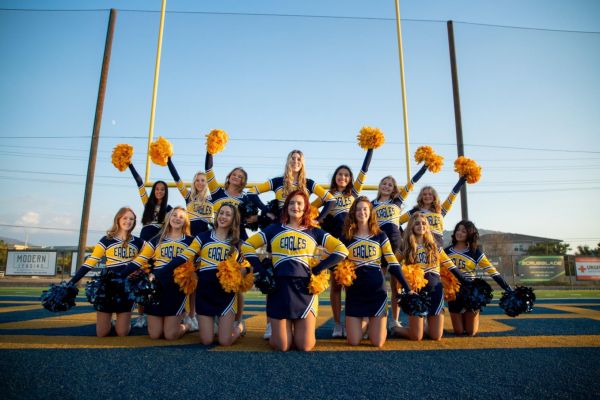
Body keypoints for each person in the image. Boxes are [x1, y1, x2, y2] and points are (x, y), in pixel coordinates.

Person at [241, 190, 348, 351]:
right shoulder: (274, 229)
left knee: (305, 345)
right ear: (286, 207)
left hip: (304, 290)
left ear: (306, 208)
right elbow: (247, 246)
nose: (295, 206)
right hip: (279, 288)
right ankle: (280, 330)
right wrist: (261, 269)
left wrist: (319, 268)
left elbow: (342, 250)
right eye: (291, 203)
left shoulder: (314, 231)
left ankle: (290, 329)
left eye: (299, 203)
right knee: (282, 346)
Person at [249, 149, 336, 338]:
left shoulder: (309, 183)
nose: (295, 161)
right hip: (279, 231)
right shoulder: (277, 182)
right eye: (292, 158)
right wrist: (267, 211)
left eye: (299, 159)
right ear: (288, 161)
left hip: (301, 231)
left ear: (302, 163)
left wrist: (318, 219)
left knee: (301, 272)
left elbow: (330, 200)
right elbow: (252, 192)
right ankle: (271, 323)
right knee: (273, 275)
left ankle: (303, 316)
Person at [153, 203, 247, 346]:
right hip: (205, 293)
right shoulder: (202, 237)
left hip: (226, 295)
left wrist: (242, 271)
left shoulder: (237, 242)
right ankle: (214, 326)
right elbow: (184, 256)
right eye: (221, 213)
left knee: (225, 341)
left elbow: (248, 265)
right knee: (206, 340)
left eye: (228, 214)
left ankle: (239, 327)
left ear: (234, 219)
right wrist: (159, 273)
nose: (223, 217)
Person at [312, 149, 372, 338]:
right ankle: (338, 324)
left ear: (350, 178)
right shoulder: (327, 194)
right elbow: (309, 209)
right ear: (335, 177)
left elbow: (364, 170)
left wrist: (370, 148)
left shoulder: (354, 192)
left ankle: (356, 323)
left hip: (353, 244)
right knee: (337, 286)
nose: (343, 177)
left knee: (354, 285)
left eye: (346, 175)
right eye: (340, 174)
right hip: (335, 245)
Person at [340, 197, 411, 347]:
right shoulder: (346, 237)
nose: (362, 212)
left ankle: (373, 323)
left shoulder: (380, 235)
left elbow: (393, 262)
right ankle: (365, 322)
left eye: (365, 209)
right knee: (353, 341)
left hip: (376, 291)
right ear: (353, 213)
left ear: (371, 212)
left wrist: (407, 287)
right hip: (355, 292)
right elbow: (336, 259)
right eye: (358, 209)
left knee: (377, 342)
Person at [69, 207, 144, 337]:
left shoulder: (138, 242)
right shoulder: (106, 239)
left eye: (131, 219)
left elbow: (150, 257)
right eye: (125, 218)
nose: (128, 221)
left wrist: (140, 271)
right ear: (118, 219)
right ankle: (111, 322)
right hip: (108, 286)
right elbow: (90, 262)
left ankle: (121, 324)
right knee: (102, 333)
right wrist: (72, 282)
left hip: (127, 287)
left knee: (122, 333)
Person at [372, 163, 429, 332]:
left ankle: (394, 320)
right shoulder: (371, 204)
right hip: (379, 244)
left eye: (390, 185)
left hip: (397, 243)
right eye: (384, 183)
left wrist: (424, 167)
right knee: (378, 282)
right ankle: (378, 316)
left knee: (396, 284)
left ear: (394, 189)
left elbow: (411, 183)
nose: (386, 186)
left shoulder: (397, 201)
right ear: (380, 186)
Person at [123, 207, 195, 340]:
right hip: (156, 286)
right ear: (168, 218)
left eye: (181, 216)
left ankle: (187, 325)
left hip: (177, 287)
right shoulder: (157, 239)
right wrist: (122, 274)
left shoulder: (191, 241)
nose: (177, 218)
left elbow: (199, 263)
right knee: (155, 334)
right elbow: (141, 258)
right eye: (174, 215)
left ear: (185, 221)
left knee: (170, 335)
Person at [391, 213, 465, 341]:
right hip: (416, 293)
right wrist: (402, 284)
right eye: (417, 223)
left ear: (427, 226)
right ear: (411, 226)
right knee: (416, 336)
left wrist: (464, 280)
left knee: (436, 336)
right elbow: (393, 265)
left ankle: (423, 327)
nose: (421, 226)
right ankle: (394, 328)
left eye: (423, 223)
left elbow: (450, 265)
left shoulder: (434, 245)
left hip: (435, 291)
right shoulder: (405, 245)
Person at [165, 158, 213, 331]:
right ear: (194, 182)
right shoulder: (188, 196)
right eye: (197, 180)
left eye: (203, 180)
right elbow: (177, 179)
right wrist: (168, 160)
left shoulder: (212, 198)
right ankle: (190, 315)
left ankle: (205, 314)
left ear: (207, 182)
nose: (200, 183)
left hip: (206, 241)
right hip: (191, 241)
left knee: (204, 279)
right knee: (191, 279)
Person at [445, 220, 512, 336]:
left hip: (470, 292)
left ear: (470, 234)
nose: (459, 233)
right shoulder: (446, 251)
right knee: (459, 331)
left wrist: (507, 288)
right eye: (458, 230)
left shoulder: (475, 252)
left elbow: (492, 271)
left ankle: (469, 315)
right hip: (453, 292)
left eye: (464, 231)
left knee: (471, 332)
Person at [127, 164, 172, 328]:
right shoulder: (147, 203)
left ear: (166, 192)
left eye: (162, 189)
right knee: (141, 278)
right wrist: (130, 164)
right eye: (157, 189)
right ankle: (141, 316)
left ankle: (156, 312)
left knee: (155, 279)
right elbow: (140, 182)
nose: (159, 191)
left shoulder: (169, 209)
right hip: (143, 245)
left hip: (157, 248)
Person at [399, 178, 466, 247]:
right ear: (421, 197)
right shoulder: (415, 211)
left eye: (430, 194)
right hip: (421, 246)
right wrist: (403, 236)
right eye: (424, 194)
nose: (427, 196)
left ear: (434, 197)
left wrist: (461, 181)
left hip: (437, 246)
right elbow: (397, 221)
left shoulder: (440, 210)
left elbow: (452, 196)